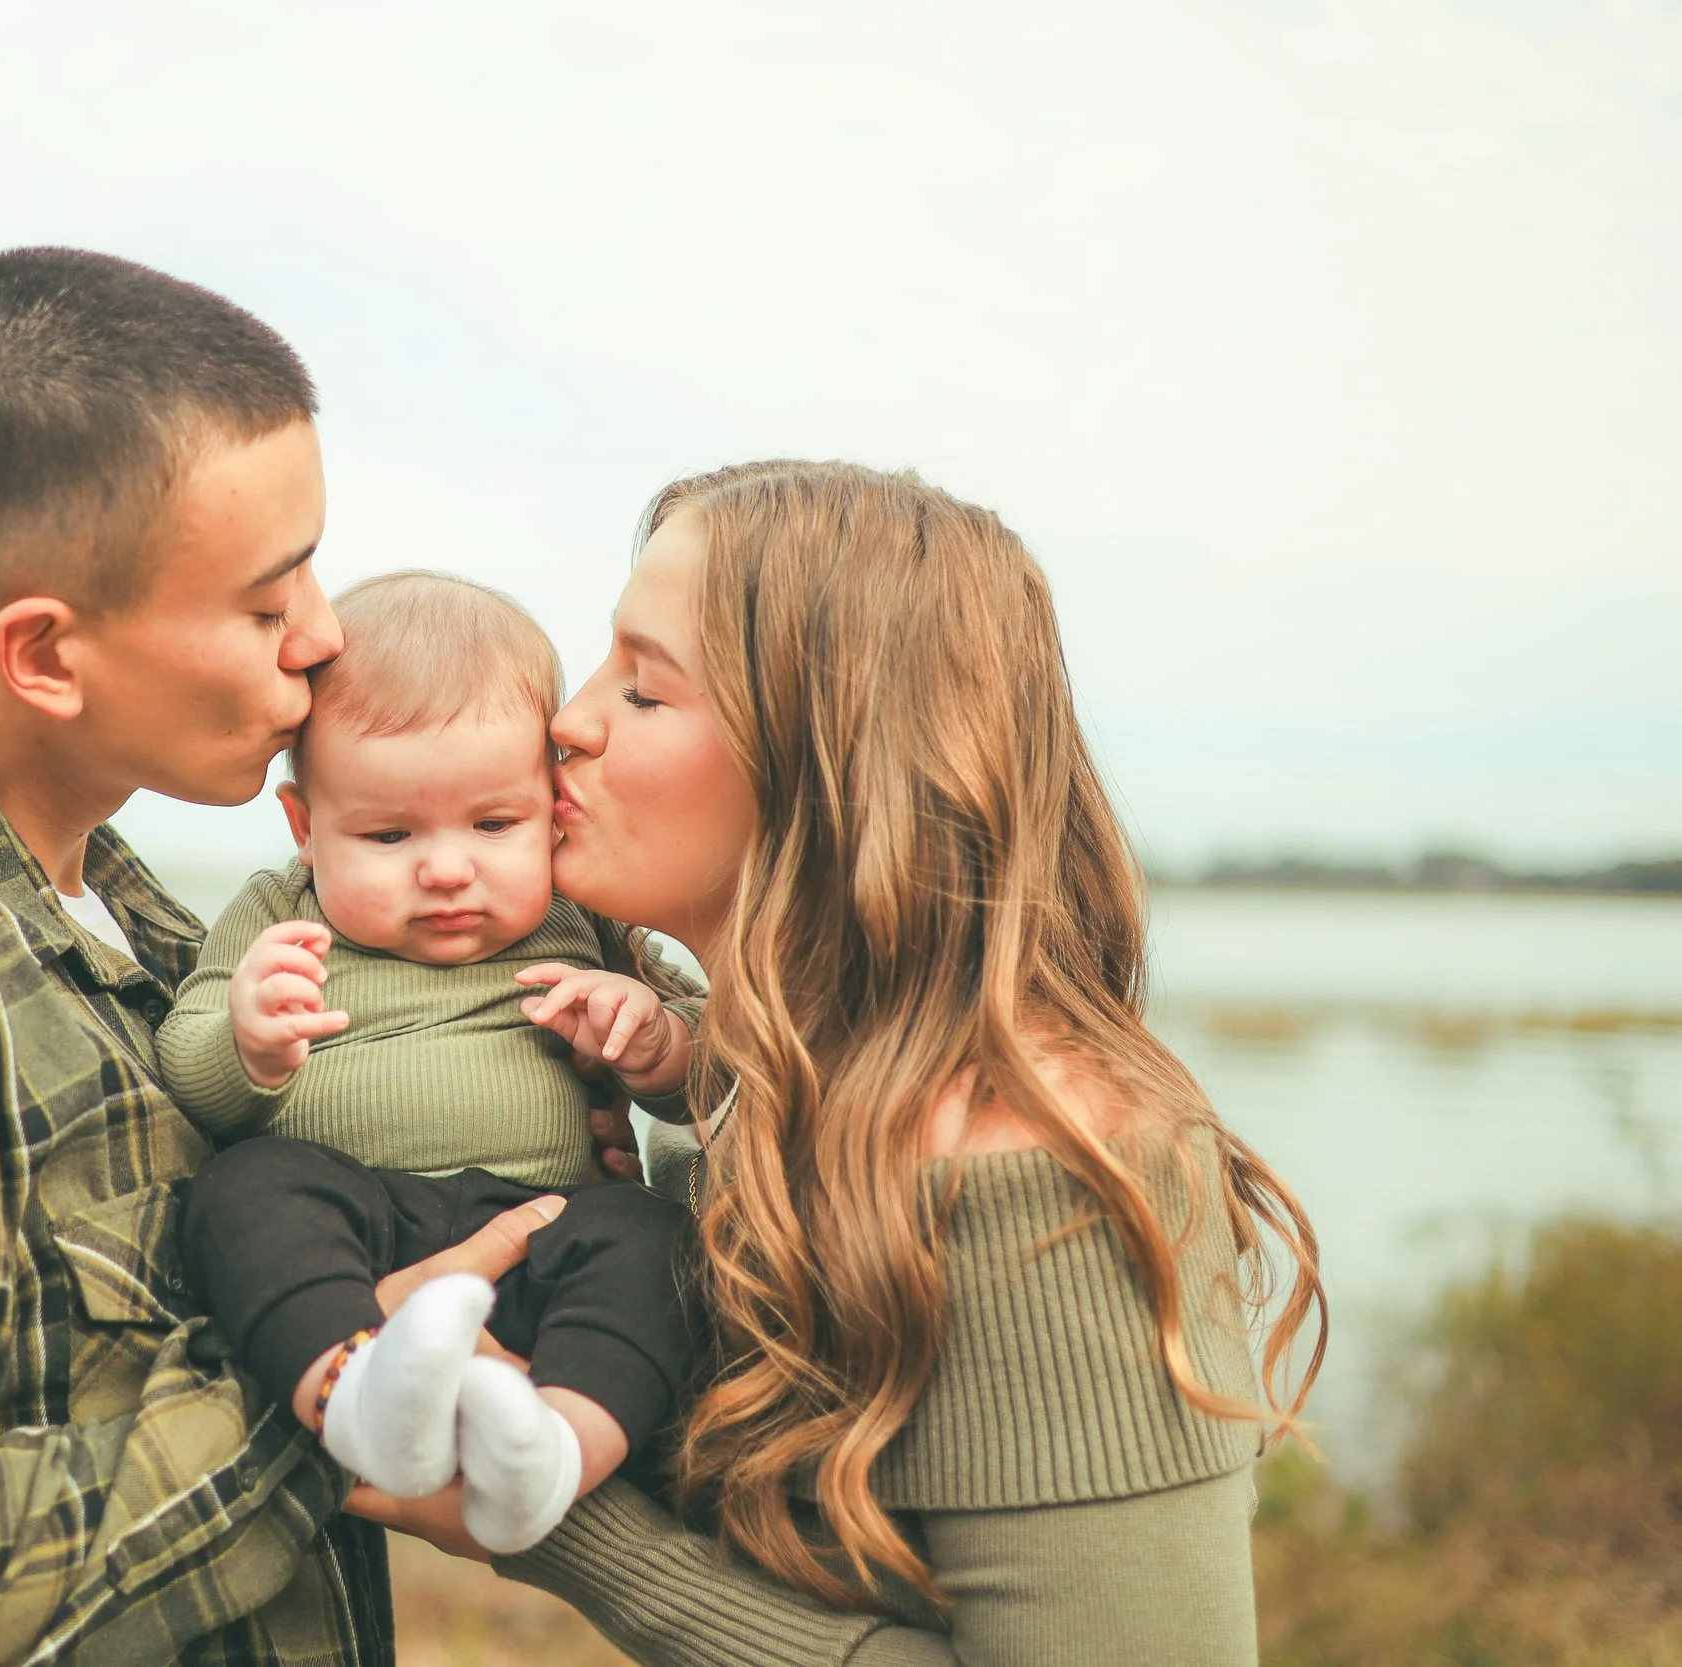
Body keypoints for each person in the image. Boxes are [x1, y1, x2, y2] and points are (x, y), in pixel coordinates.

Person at [0, 249, 571, 1667]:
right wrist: (323, 1374)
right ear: (48, 655)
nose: (323, 638)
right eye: (267, 601)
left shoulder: (165, 931)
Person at [357, 461, 1326, 1666]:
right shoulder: (785, 1090)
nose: (570, 718)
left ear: (830, 763)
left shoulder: (1040, 1163)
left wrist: (554, 1511)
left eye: (644, 689)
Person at [157, 571, 698, 1556]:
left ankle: (557, 1448)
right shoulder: (283, 914)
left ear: (552, 807)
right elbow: (189, 1062)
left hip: (547, 1226)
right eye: (389, 833)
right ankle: (353, 1390)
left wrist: (655, 1039)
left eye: (495, 824)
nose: (446, 868)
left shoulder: (585, 920)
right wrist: (247, 1042)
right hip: (355, 1225)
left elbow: (709, 1069)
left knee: (654, 1232)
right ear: (305, 828)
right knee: (245, 1187)